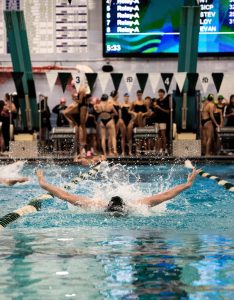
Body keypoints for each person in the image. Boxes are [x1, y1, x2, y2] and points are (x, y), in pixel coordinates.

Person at [35, 168, 200, 217]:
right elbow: (66, 196)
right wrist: (186, 185)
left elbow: (66, 196)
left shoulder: (136, 206)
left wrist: (44, 183)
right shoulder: (97, 206)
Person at [154, 89, 170, 155]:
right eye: (159, 93)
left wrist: (159, 107)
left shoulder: (166, 101)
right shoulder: (156, 101)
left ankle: (165, 148)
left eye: (161, 93)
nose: (160, 94)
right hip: (157, 120)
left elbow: (167, 111)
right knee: (158, 135)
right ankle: (160, 149)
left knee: (163, 135)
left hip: (163, 120)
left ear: (163, 94)